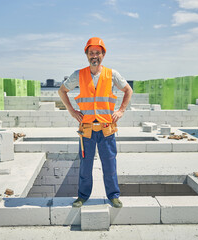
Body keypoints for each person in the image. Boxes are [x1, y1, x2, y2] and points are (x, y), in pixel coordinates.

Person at [58, 37, 133, 208]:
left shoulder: (112, 74)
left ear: (103, 55)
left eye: (97, 53)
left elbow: (128, 90)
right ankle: (83, 196)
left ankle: (113, 195)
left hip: (107, 128)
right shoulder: (79, 74)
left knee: (110, 164)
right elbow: (62, 91)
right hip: (87, 129)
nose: (94, 56)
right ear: (86, 54)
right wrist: (71, 110)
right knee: (85, 165)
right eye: (91, 53)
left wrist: (120, 110)